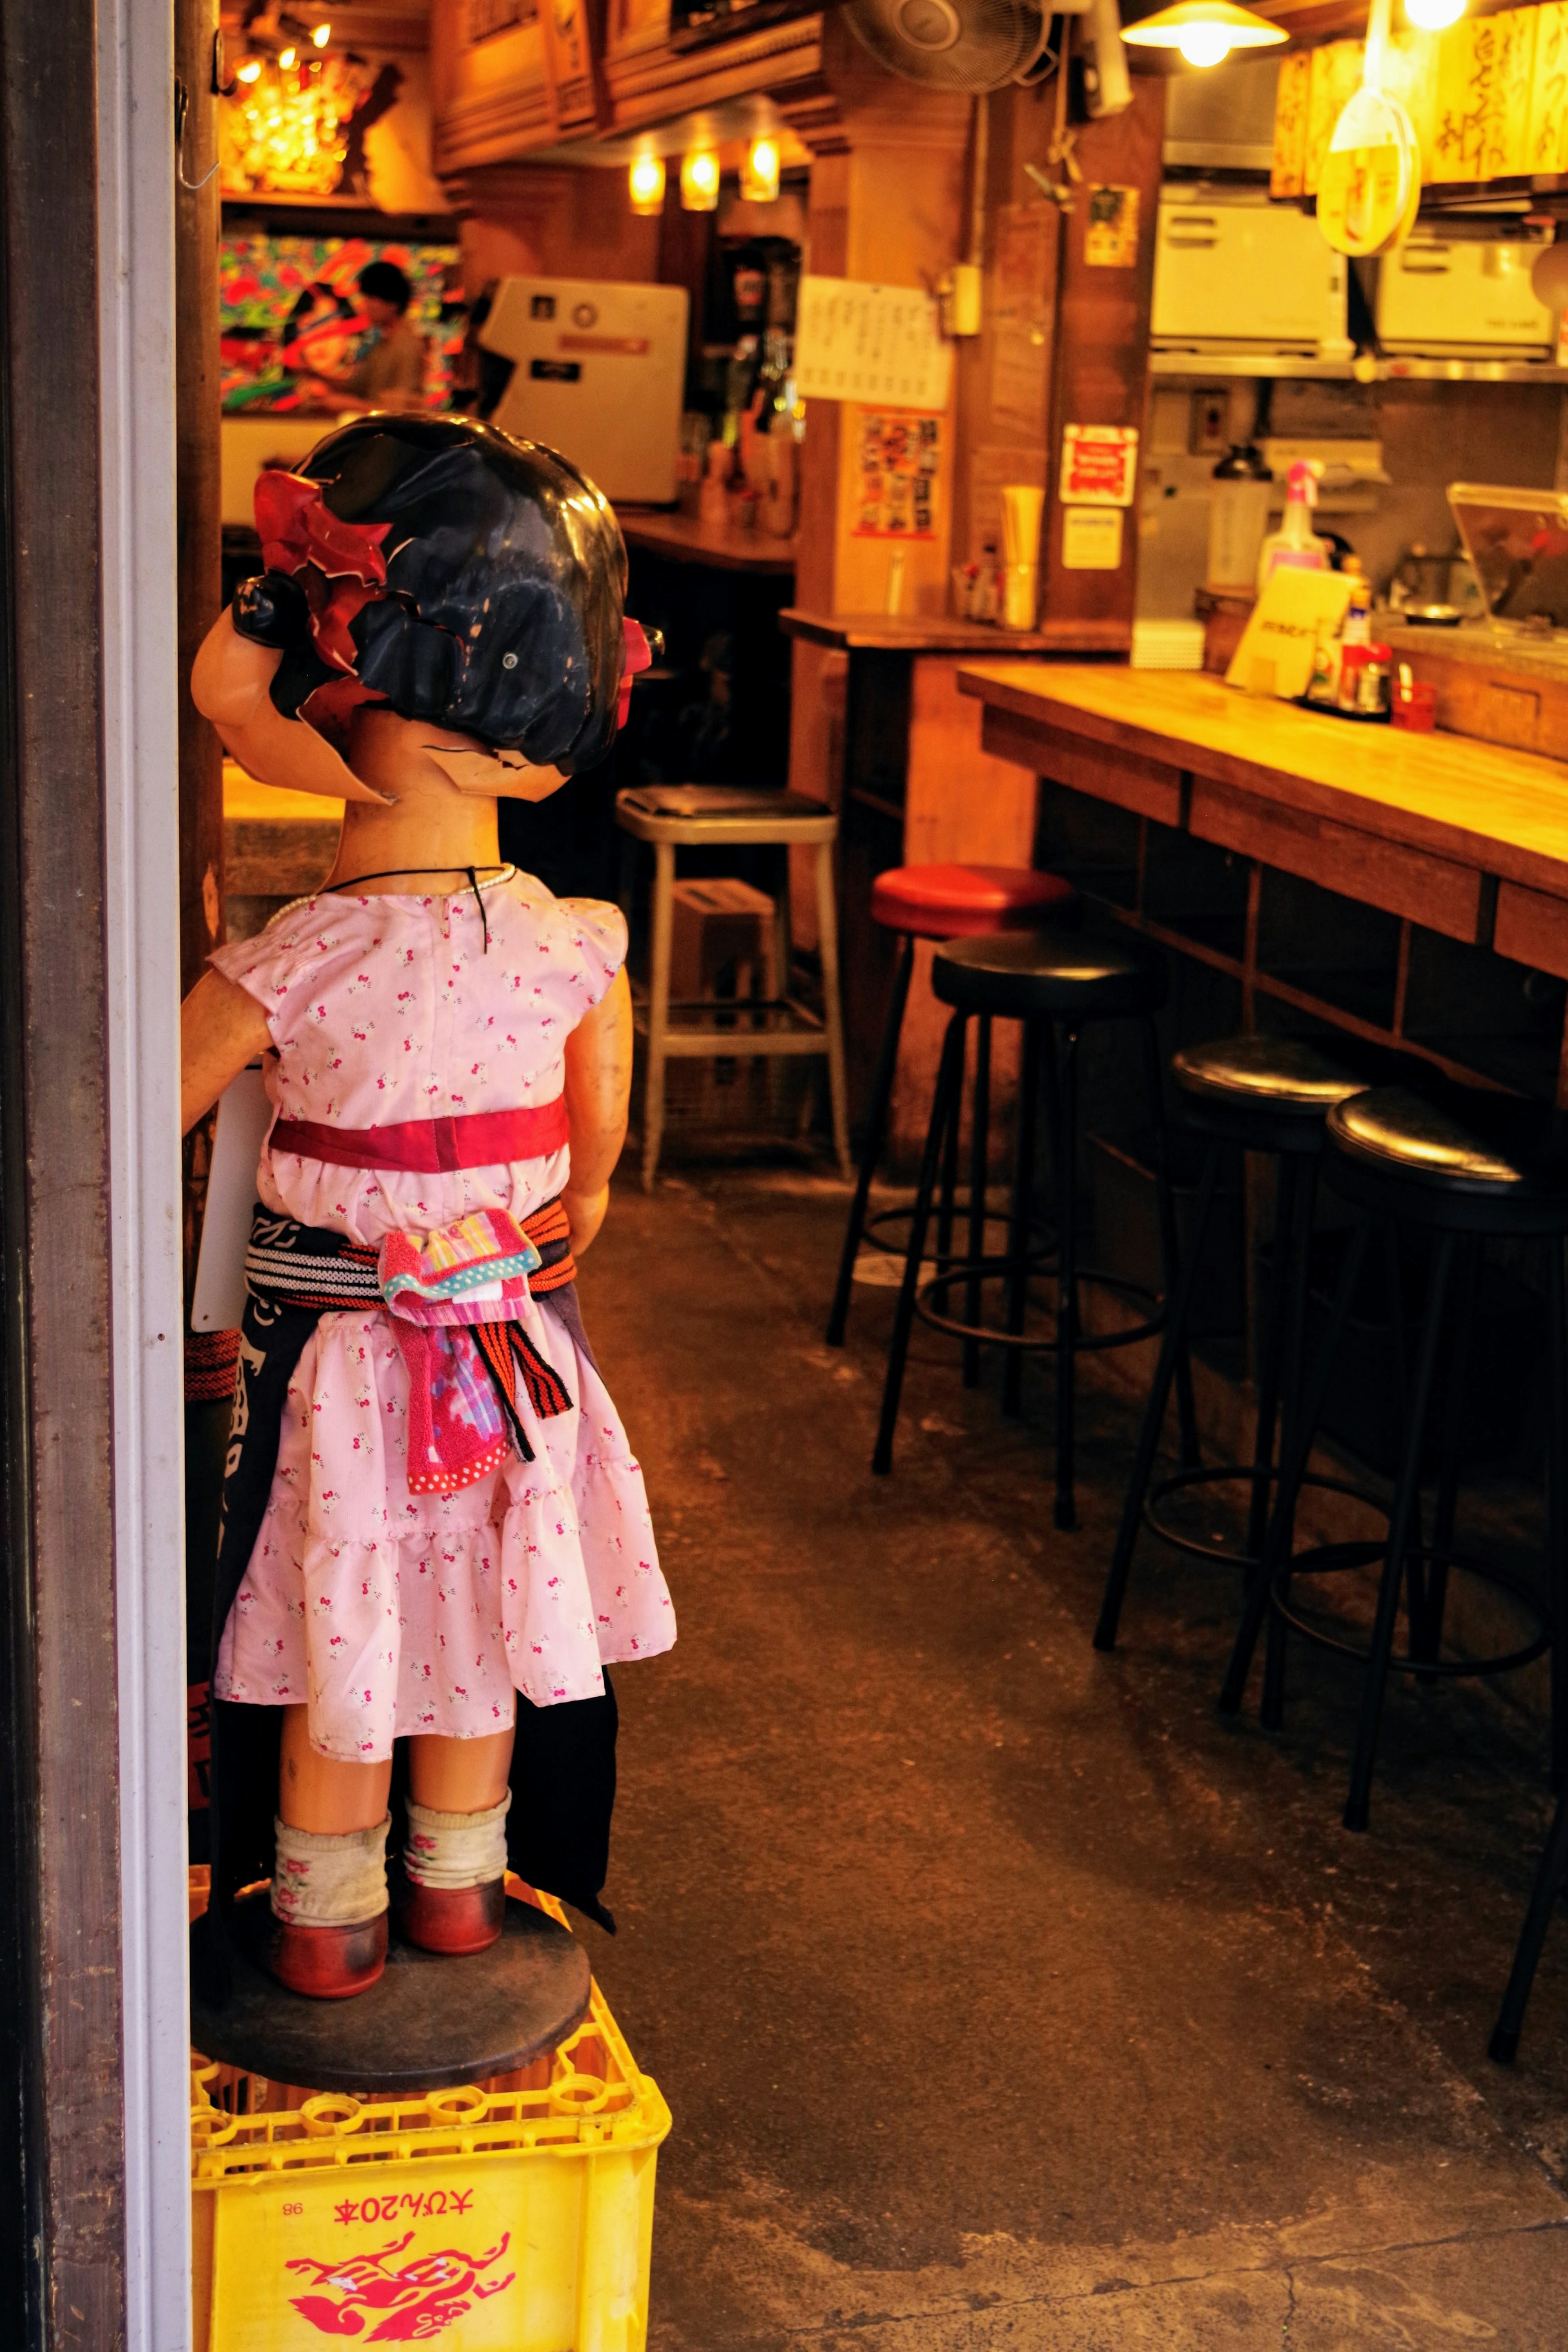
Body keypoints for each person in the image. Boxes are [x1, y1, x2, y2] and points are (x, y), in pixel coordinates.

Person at [182, 416, 669, 2000]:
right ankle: (462, 1882)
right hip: (515, 1353)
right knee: (484, 1601)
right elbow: (595, 1137)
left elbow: (131, 1104)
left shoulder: (298, 955)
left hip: (347, 1360)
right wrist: (574, 1193)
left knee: (348, 1618)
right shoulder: (569, 938)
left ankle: (327, 1910)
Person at [303, 259, 429, 414]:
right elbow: (355, 388)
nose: (365, 305)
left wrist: (348, 405)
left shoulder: (407, 346)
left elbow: (401, 411)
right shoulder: (382, 343)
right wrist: (314, 374)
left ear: (392, 303)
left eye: (370, 298)